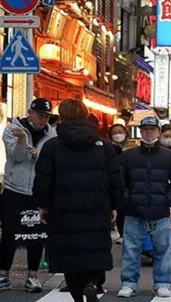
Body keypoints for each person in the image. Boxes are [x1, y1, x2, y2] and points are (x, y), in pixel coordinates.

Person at [33, 99, 124, 302]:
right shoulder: (104, 146)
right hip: (97, 208)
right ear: (85, 115)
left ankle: (77, 296)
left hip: (63, 210)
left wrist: (43, 204)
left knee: (70, 258)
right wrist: (115, 205)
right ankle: (92, 284)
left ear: (62, 117)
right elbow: (116, 179)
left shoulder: (52, 146)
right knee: (96, 252)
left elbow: (42, 181)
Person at [116, 117, 171, 298]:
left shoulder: (169, 156)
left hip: (160, 210)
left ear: (158, 131)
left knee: (162, 249)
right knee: (131, 250)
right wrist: (126, 201)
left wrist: (168, 199)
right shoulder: (128, 156)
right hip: (134, 210)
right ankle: (129, 283)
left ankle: (163, 283)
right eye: (145, 129)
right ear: (140, 131)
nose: (148, 132)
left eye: (152, 129)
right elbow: (118, 181)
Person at [0, 98, 56, 292]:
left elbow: (52, 158)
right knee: (9, 233)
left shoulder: (51, 133)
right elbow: (15, 156)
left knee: (36, 234)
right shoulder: (13, 129)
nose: (43, 119)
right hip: (14, 188)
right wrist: (23, 143)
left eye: (46, 116)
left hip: (38, 190)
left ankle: (32, 276)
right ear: (30, 112)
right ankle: (3, 274)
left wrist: (37, 154)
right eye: (40, 115)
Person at [108, 123, 130, 245]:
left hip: (129, 182)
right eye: (114, 133)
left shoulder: (132, 147)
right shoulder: (108, 148)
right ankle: (121, 233)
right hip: (115, 182)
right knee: (119, 209)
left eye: (120, 132)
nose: (117, 135)